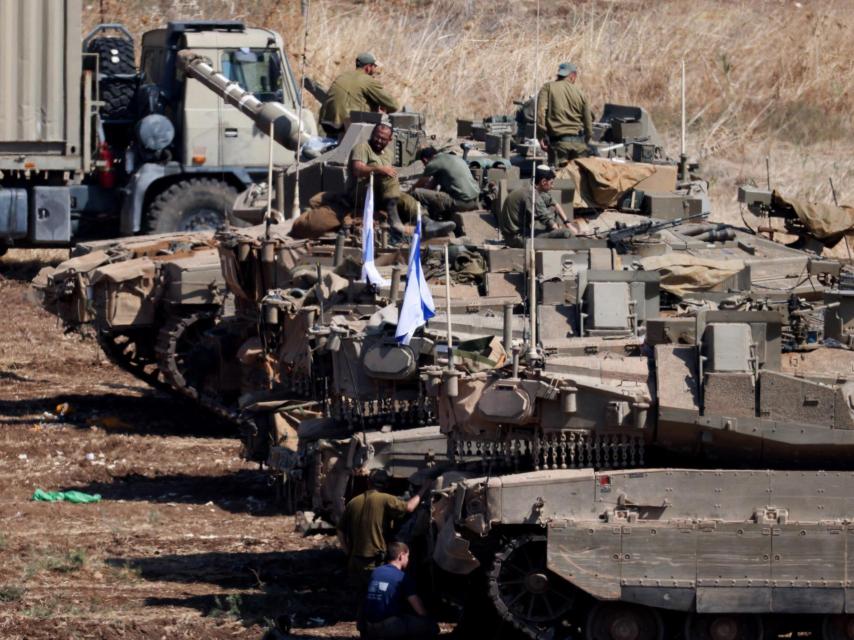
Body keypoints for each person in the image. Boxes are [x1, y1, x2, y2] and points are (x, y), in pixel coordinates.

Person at [349, 124, 454, 241]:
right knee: (387, 174)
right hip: (362, 194)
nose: (379, 141)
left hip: (380, 195)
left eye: (383, 139)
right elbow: (357, 169)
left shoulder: (388, 153)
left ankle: (427, 222)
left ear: (390, 140)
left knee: (405, 198)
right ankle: (395, 222)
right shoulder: (363, 147)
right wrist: (379, 169)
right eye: (377, 137)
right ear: (372, 135)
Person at [339, 469, 432, 589]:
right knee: (376, 595)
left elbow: (340, 531)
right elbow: (409, 507)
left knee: (359, 598)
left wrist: (348, 552)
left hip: (354, 562)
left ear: (368, 482)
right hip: (373, 562)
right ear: (386, 484)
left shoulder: (353, 502)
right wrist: (424, 489)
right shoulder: (386, 499)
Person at [360, 541, 439, 640]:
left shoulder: (376, 571)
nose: (408, 560)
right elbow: (419, 609)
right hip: (389, 628)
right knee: (430, 626)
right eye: (408, 556)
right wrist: (427, 617)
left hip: (369, 627)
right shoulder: (402, 577)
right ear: (401, 556)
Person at [318, 52, 400, 136]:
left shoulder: (342, 76)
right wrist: (384, 110)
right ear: (368, 67)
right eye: (374, 66)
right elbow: (393, 105)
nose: (375, 69)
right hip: (347, 127)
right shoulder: (368, 80)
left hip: (326, 124)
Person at [498, 165, 572, 247]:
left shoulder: (531, 189)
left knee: (557, 224)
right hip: (516, 238)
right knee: (566, 233)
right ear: (544, 182)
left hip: (515, 235)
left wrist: (567, 223)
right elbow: (545, 217)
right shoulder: (532, 195)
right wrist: (559, 229)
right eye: (551, 183)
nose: (552, 186)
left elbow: (554, 203)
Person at [536, 62, 592, 167]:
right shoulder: (580, 93)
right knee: (577, 180)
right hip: (579, 145)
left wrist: (541, 136)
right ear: (573, 76)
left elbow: (540, 113)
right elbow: (588, 124)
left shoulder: (548, 88)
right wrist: (586, 141)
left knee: (558, 180)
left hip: (558, 145)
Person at [410, 147, 481, 220]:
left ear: (425, 160)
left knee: (416, 192)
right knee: (437, 194)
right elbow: (431, 185)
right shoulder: (451, 158)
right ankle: (442, 218)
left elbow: (420, 184)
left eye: (424, 164)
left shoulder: (433, 163)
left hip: (461, 202)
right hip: (475, 200)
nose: (425, 166)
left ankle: (427, 221)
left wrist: (407, 193)